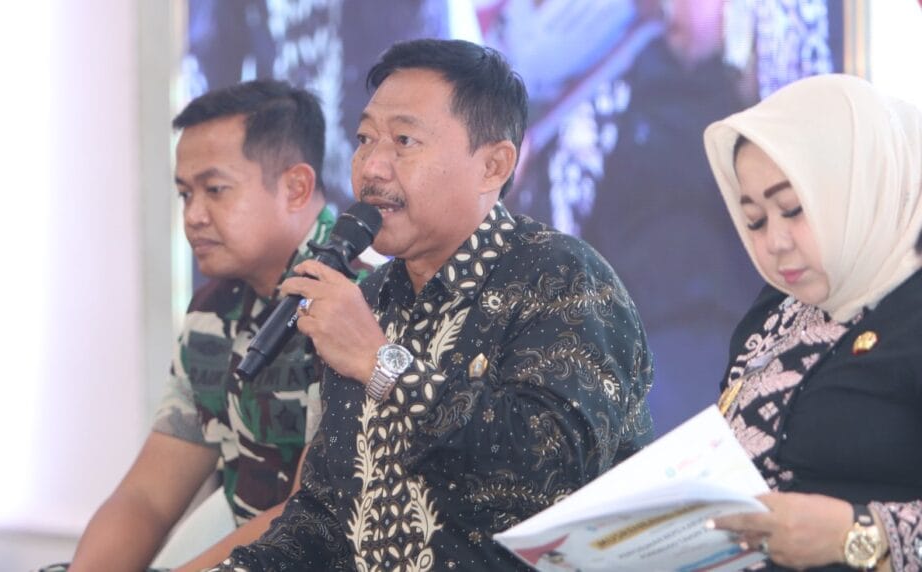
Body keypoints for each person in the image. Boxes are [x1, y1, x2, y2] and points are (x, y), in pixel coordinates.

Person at [207, 38, 654, 571]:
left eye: (404, 140)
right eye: (364, 139)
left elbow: (553, 471)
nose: (372, 167)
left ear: (492, 166)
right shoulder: (370, 300)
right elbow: (329, 518)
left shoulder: (561, 278)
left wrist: (380, 364)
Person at [63, 80, 359, 571]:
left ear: (296, 188)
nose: (193, 216)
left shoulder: (360, 302)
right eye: (185, 194)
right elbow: (148, 495)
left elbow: (310, 516)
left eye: (215, 190)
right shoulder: (214, 307)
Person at [702, 74, 922, 571]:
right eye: (755, 220)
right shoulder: (778, 307)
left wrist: (856, 534)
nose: (774, 243)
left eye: (793, 209)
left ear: (865, 188)